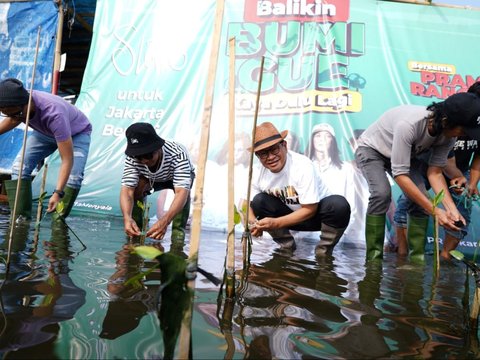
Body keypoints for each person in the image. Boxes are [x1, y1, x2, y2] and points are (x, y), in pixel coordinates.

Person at [355, 92, 480, 262]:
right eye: (464, 130)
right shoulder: (409, 125)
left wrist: (452, 210)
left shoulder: (449, 137)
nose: (465, 135)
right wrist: (435, 211)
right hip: (373, 150)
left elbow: (434, 172)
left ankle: (415, 263)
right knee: (382, 194)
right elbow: (400, 175)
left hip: (407, 156)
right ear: (446, 121)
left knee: (421, 200)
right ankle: (373, 260)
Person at [393, 83, 480, 260]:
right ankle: (402, 253)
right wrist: (457, 176)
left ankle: (446, 258)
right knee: (410, 200)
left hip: (459, 171)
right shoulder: (450, 114)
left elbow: (478, 158)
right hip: (433, 164)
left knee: (461, 212)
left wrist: (471, 183)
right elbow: (443, 162)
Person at [244, 121, 351, 256]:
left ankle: (323, 252)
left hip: (316, 217)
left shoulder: (302, 165)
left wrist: (275, 223)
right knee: (259, 201)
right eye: (263, 153)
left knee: (338, 205)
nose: (270, 157)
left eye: (274, 150)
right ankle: (286, 247)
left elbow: (310, 210)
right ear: (257, 156)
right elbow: (244, 203)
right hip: (288, 217)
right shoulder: (256, 172)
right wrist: (254, 223)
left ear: (284, 146)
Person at [0, 78, 92, 220]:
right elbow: (13, 119)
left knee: (73, 178)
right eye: (9, 114)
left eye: (18, 114)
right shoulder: (17, 104)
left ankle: (58, 226)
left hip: (76, 133)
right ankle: (20, 219)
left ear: (28, 103)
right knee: (19, 167)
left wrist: (58, 192)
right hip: (45, 132)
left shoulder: (54, 114)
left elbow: (67, 159)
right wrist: (14, 116)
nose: (16, 118)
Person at [120, 122, 195, 242]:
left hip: (173, 177)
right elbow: (127, 190)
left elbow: (181, 192)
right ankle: (136, 230)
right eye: (139, 157)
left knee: (185, 192)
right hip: (148, 178)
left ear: (158, 147)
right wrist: (127, 218)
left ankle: (177, 235)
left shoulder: (178, 154)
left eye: (148, 155)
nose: (144, 160)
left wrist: (165, 221)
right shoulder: (132, 158)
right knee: (135, 189)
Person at [305, 123, 360, 245]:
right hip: (304, 234)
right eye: (318, 136)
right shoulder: (303, 167)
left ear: (333, 141)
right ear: (312, 139)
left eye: (327, 136)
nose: (322, 140)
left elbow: (352, 204)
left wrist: (342, 233)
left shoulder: (345, 169)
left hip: (335, 235)